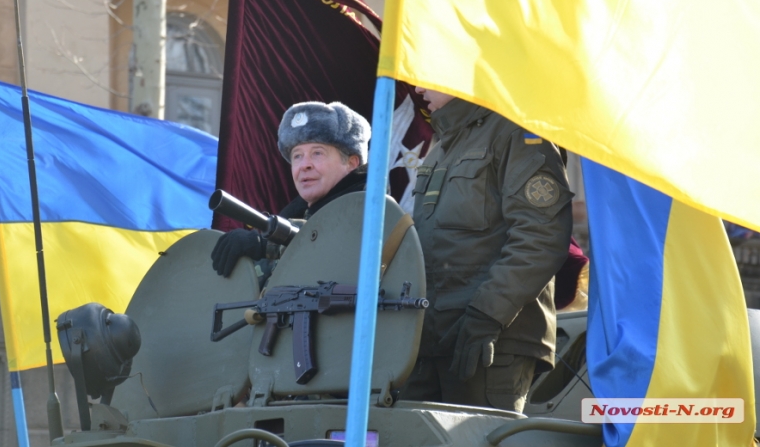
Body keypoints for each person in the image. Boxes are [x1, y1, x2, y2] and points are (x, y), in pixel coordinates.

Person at [399, 87, 573, 413]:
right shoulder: (441, 148)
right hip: (431, 341)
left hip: (493, 340)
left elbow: (540, 238)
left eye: (424, 74)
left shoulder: (517, 133)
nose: (417, 87)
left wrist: (485, 317)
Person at [211, 101, 370, 281]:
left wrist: (263, 243)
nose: (304, 165)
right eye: (297, 156)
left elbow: (330, 241)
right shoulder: (297, 215)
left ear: (351, 163)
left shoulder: (372, 213)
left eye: (317, 153)